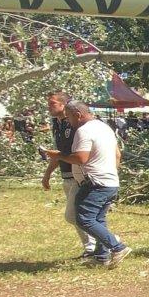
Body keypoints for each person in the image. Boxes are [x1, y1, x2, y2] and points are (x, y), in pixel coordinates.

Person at [45, 101, 131, 267]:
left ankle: (117, 246)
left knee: (84, 218)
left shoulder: (83, 131)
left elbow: (80, 158)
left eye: (69, 117)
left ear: (78, 114)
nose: (68, 121)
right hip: (110, 181)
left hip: (95, 182)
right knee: (99, 218)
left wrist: (57, 155)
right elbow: (117, 155)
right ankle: (101, 256)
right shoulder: (105, 128)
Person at [42, 91, 97, 259]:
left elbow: (76, 153)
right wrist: (47, 174)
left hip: (79, 174)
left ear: (64, 105)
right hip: (66, 175)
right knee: (78, 215)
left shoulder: (74, 124)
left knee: (74, 215)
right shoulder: (56, 124)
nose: (49, 107)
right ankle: (90, 248)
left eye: (52, 103)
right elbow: (60, 154)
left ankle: (107, 242)